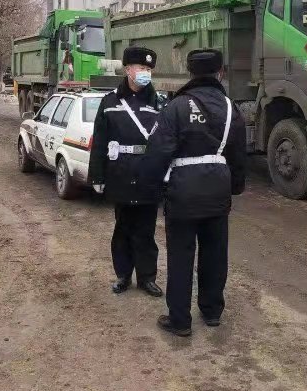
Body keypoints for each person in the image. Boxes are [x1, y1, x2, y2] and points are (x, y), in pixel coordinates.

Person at [141, 49, 247, 336]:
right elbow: (238, 153)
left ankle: (180, 320)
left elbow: (158, 150)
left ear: (190, 72)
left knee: (181, 256)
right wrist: (234, 187)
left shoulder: (177, 107)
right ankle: (212, 312)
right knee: (215, 253)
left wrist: (152, 188)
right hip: (217, 191)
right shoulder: (230, 107)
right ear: (219, 73)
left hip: (183, 192)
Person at [89, 46, 163, 298]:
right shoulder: (110, 102)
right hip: (120, 173)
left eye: (149, 69)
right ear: (127, 70)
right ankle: (123, 275)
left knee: (146, 230)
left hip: (147, 176)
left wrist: (165, 176)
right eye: (141, 68)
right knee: (122, 228)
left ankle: (147, 278)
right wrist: (97, 176)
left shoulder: (159, 103)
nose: (145, 73)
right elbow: (99, 140)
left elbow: (165, 143)